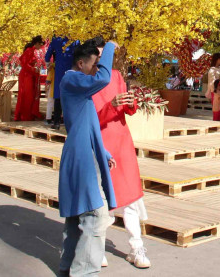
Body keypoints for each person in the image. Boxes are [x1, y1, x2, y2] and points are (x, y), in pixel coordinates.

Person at [58, 40, 118, 276]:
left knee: (77, 216)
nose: (96, 69)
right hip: (80, 157)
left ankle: (67, 267)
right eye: (94, 64)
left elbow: (85, 125)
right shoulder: (71, 79)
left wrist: (103, 153)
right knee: (95, 215)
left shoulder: (77, 86)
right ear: (80, 63)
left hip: (82, 152)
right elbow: (103, 79)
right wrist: (109, 48)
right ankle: (83, 272)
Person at [91, 42, 151, 269]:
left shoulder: (116, 75)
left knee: (131, 196)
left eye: (104, 54)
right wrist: (111, 105)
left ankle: (137, 249)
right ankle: (98, 249)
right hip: (103, 143)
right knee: (102, 196)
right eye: (99, 54)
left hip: (123, 142)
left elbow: (128, 108)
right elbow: (90, 120)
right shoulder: (86, 80)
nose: (102, 59)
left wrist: (130, 101)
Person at [45, 36, 78, 130]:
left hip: (59, 70)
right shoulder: (76, 37)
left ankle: (56, 122)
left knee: (58, 95)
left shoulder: (56, 39)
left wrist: (48, 64)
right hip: (72, 68)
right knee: (71, 94)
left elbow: (47, 55)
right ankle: (71, 122)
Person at [14, 35, 44, 121]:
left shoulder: (32, 51)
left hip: (29, 74)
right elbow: (23, 63)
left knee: (30, 95)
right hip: (26, 75)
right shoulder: (29, 51)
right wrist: (33, 69)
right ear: (37, 43)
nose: (41, 47)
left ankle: (30, 114)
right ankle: (25, 115)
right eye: (40, 44)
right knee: (27, 95)